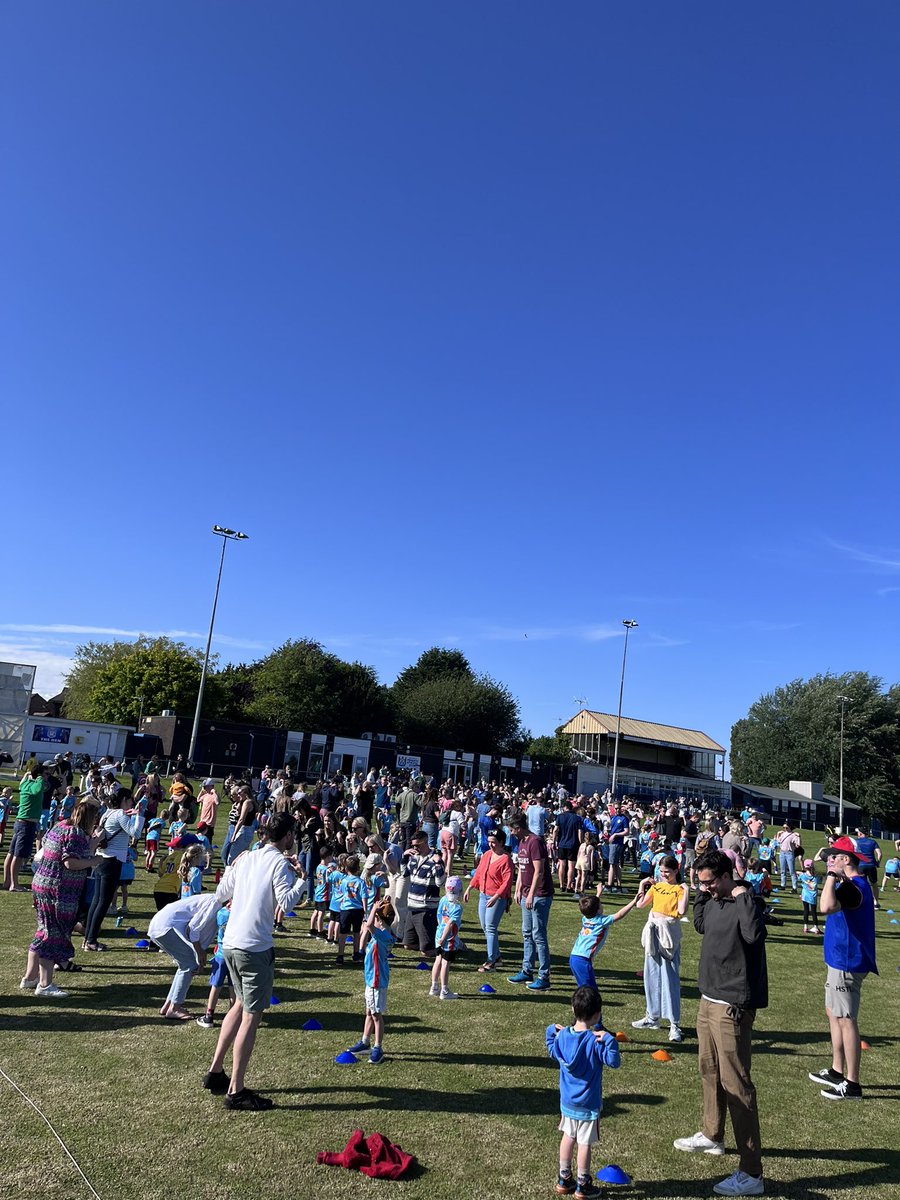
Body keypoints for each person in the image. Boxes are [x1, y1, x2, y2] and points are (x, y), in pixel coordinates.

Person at [674, 849, 767, 1197]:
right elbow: (699, 923)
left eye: (711, 881)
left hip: (732, 1005)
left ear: (728, 876)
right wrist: (701, 890)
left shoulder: (746, 903)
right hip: (707, 998)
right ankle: (713, 1135)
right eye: (702, 883)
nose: (707, 888)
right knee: (709, 1071)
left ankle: (752, 1172)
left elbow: (754, 935)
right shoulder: (712, 900)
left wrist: (743, 894)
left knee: (737, 1085)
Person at [203, 810, 306, 1109]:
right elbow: (286, 903)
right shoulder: (280, 863)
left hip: (231, 942)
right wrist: (301, 880)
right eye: (293, 835)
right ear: (287, 836)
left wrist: (235, 866)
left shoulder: (247, 857)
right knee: (252, 1014)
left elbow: (221, 893)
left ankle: (216, 1071)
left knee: (237, 1005)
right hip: (254, 947)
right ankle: (236, 1090)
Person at [808, 835, 877, 1101]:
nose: (830, 860)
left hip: (847, 962)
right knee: (833, 1013)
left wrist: (831, 876)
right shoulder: (852, 884)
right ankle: (837, 1071)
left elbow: (825, 906)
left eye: (835, 857)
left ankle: (852, 1083)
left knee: (846, 1020)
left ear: (846, 860)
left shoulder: (854, 886)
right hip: (839, 959)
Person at [20, 800, 102, 997]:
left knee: (43, 931)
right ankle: (45, 985)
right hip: (58, 890)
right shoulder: (74, 833)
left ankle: (29, 978)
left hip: (43, 883)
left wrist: (91, 844)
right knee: (53, 934)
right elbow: (71, 862)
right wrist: (94, 860)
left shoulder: (60, 826)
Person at [546, 984, 620, 1200]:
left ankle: (564, 1178)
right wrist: (610, 1041)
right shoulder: (595, 1041)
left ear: (573, 1009)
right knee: (584, 1143)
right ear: (597, 1015)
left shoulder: (562, 1038)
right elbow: (614, 1062)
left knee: (568, 1137)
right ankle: (583, 1183)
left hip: (567, 1102)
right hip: (588, 1104)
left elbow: (551, 1049)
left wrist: (550, 1031)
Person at [631, 854, 690, 1042]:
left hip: (669, 934)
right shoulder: (656, 887)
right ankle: (652, 1017)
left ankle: (674, 1024)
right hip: (653, 932)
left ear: (676, 871)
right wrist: (642, 885)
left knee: (670, 977)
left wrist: (686, 891)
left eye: (668, 872)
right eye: (662, 871)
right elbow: (640, 904)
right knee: (651, 974)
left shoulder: (678, 889)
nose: (664, 875)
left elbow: (681, 912)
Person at [83, 788, 145, 952]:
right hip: (112, 861)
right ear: (124, 799)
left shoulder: (108, 813)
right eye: (130, 800)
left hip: (101, 859)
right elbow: (135, 833)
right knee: (103, 903)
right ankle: (91, 940)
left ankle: (88, 938)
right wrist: (139, 815)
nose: (132, 803)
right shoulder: (120, 815)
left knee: (96, 901)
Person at [148, 892, 220, 1021]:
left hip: (160, 926)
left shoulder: (216, 902)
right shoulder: (215, 903)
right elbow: (193, 929)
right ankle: (175, 1008)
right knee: (188, 965)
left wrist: (199, 956)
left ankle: (168, 1005)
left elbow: (201, 932)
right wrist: (199, 953)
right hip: (166, 927)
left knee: (184, 965)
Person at [346, 897, 396, 1065]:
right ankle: (365, 1042)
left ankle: (377, 1047)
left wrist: (374, 907)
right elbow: (368, 925)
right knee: (369, 1012)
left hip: (376, 981)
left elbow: (367, 926)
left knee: (376, 1015)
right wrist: (380, 905)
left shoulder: (383, 935)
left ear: (379, 920)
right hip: (371, 979)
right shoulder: (384, 933)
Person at [508, 813, 555, 991]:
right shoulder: (521, 843)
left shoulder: (535, 842)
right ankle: (527, 970)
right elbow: (521, 868)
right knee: (526, 932)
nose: (511, 833)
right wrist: (518, 889)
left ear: (519, 828)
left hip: (540, 895)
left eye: (512, 829)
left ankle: (544, 976)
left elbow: (539, 871)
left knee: (538, 934)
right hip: (527, 893)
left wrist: (531, 894)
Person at [569, 890, 640, 990]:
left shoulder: (585, 918)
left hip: (574, 957)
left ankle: (581, 1004)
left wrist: (598, 893)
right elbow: (620, 915)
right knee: (590, 991)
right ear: (598, 910)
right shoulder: (602, 921)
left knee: (583, 989)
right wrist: (634, 901)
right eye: (600, 904)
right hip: (583, 961)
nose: (602, 905)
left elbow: (591, 906)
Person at [464, 827, 513, 972]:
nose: (491, 845)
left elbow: (507, 881)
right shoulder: (486, 855)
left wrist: (497, 896)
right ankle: (497, 957)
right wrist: (469, 888)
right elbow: (479, 873)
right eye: (489, 842)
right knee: (485, 927)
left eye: (494, 842)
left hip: (497, 897)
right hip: (483, 895)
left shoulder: (506, 860)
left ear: (502, 842)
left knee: (491, 927)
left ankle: (491, 961)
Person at [401, 830, 446, 960]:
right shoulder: (413, 858)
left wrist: (438, 864)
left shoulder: (435, 859)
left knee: (427, 952)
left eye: (417, 845)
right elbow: (404, 873)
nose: (415, 848)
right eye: (413, 845)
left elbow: (440, 883)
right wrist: (404, 857)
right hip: (412, 906)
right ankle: (425, 942)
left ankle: (454, 945)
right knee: (408, 945)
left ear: (426, 842)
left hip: (426, 909)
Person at [3, 764, 44, 891]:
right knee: (18, 855)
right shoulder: (36, 785)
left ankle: (7, 882)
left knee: (11, 853)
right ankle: (14, 884)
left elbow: (23, 782)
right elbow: (38, 789)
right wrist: (40, 778)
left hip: (20, 822)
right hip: (27, 824)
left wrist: (28, 775)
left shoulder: (25, 784)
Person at [197, 902, 232, 1029]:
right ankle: (232, 1017)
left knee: (216, 986)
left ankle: (209, 1015)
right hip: (234, 955)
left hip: (221, 955)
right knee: (233, 987)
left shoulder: (221, 913)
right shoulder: (240, 914)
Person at [429, 875, 464, 1000]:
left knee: (437, 960)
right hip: (448, 939)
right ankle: (444, 990)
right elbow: (450, 924)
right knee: (445, 963)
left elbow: (439, 916)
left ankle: (434, 987)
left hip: (438, 934)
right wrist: (444, 938)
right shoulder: (457, 907)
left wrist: (440, 934)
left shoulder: (443, 899)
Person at [555, 801, 582, 892]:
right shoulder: (577, 818)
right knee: (571, 866)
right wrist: (580, 843)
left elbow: (555, 830)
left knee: (562, 865)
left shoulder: (560, 817)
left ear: (565, 807)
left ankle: (562, 885)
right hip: (573, 844)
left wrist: (555, 840)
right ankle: (569, 885)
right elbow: (580, 832)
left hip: (562, 843)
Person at [797, 859, 821, 935]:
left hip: (805, 895)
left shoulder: (803, 875)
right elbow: (820, 880)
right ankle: (816, 927)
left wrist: (800, 873)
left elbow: (798, 876)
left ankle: (805, 926)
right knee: (814, 912)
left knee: (806, 911)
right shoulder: (816, 876)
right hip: (813, 896)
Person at [776, 823, 800, 892]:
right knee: (783, 870)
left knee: (792, 871)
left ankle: (794, 887)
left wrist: (798, 837)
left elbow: (798, 845)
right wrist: (778, 834)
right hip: (782, 852)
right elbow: (778, 841)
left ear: (790, 827)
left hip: (789, 853)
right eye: (784, 827)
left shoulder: (793, 835)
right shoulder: (783, 834)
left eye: (786, 828)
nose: (785, 829)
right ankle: (783, 885)